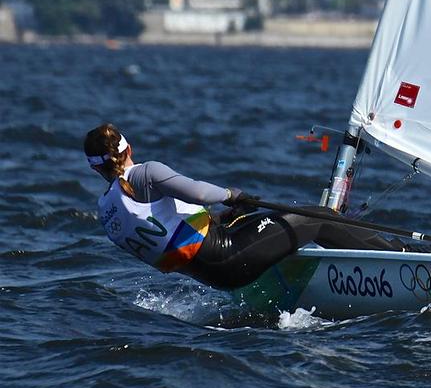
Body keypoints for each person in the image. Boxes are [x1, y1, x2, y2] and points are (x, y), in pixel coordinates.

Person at [85, 123, 406, 290]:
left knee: (273, 224)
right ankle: (396, 258)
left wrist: (225, 216)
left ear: (94, 169)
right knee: (318, 217)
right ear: (129, 148)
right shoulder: (145, 173)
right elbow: (197, 193)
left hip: (214, 275)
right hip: (227, 256)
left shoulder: (107, 209)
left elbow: (170, 235)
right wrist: (230, 194)